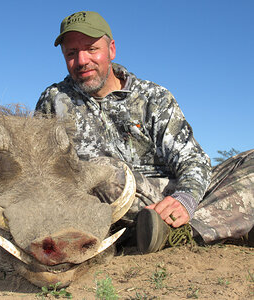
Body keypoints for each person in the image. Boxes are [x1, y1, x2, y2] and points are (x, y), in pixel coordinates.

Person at [35, 11, 254, 252]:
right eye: (71, 53)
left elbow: (193, 160)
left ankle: (178, 230)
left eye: (91, 49)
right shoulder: (53, 101)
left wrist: (185, 199)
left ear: (111, 50)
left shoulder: (153, 97)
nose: (82, 60)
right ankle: (221, 223)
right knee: (102, 172)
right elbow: (39, 171)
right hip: (112, 205)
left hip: (173, 191)